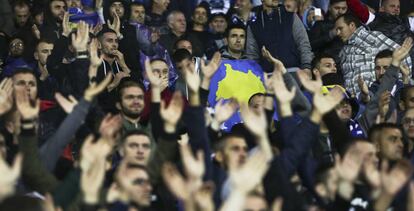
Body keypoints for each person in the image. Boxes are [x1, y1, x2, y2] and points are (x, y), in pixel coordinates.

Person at [336, 13, 412, 96]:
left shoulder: (371, 37)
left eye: (340, 28)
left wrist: (396, 88)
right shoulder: (343, 51)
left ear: (352, 25)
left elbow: (403, 55)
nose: (338, 33)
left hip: (375, 97)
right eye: (336, 30)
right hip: (356, 103)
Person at [246, 0, 314, 74]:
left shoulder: (291, 17)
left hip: (293, 72)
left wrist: (307, 67)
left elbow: (303, 44)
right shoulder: (254, 24)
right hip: (269, 76)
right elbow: (252, 55)